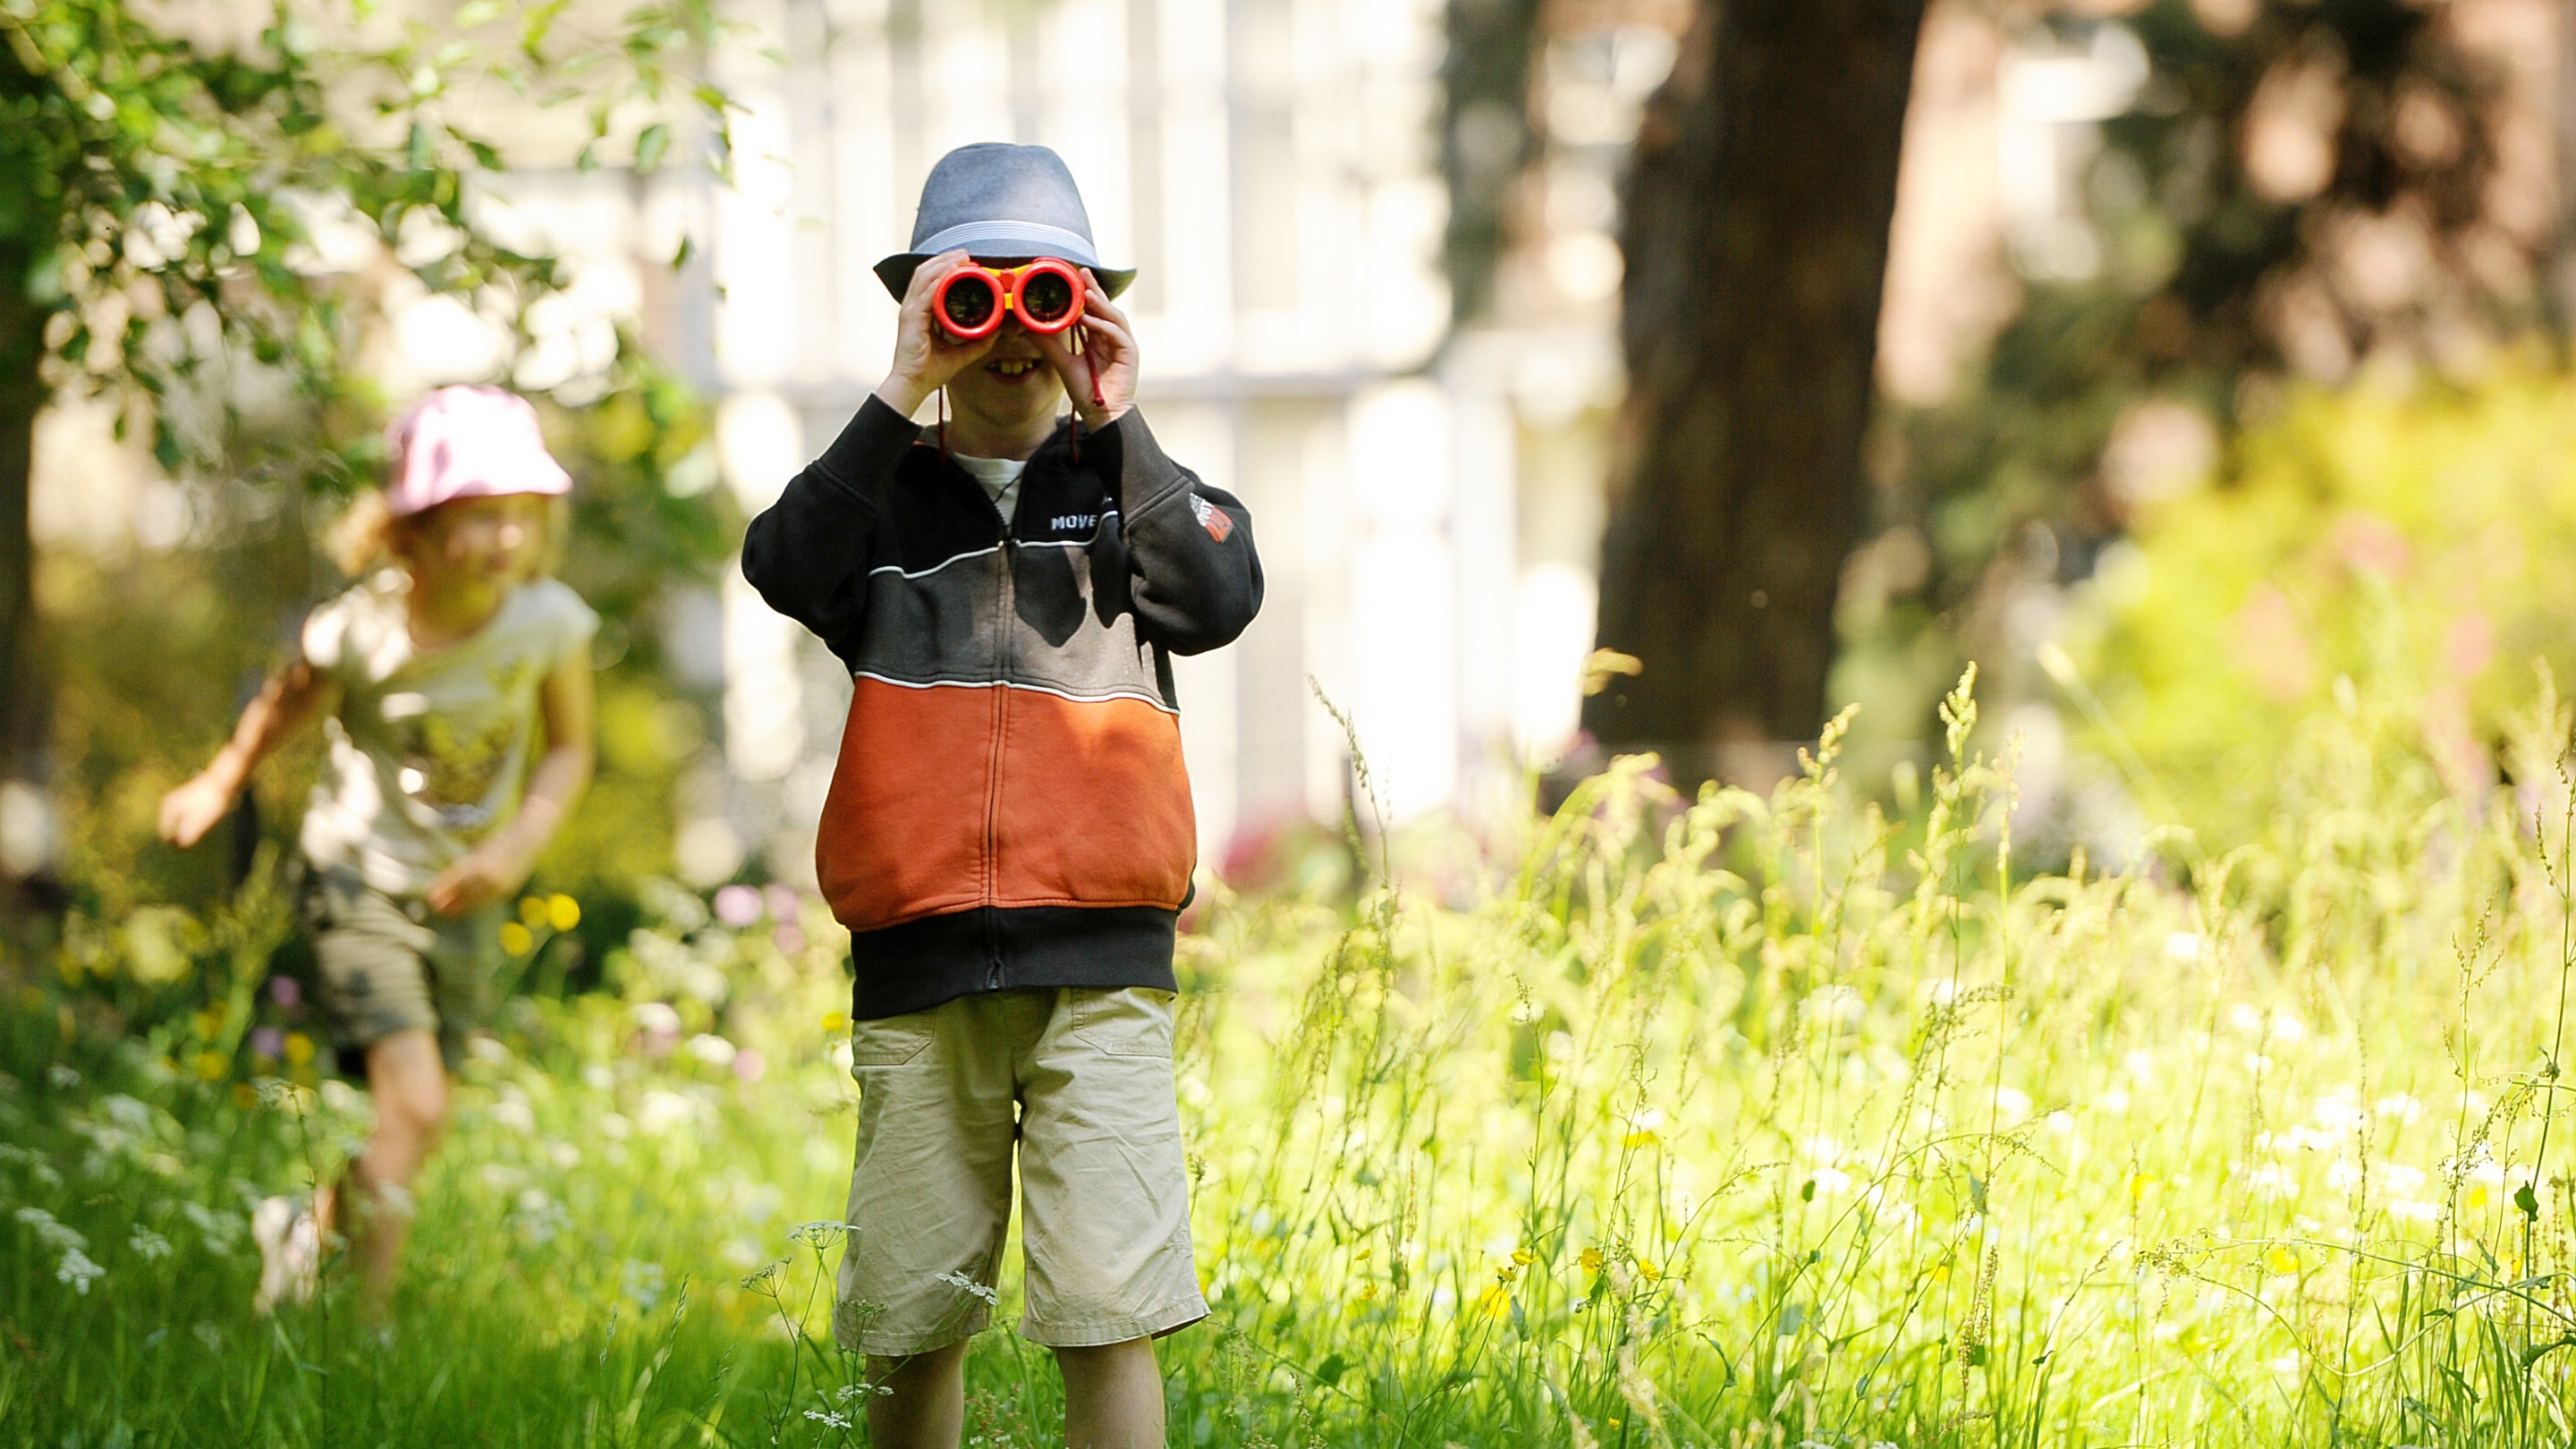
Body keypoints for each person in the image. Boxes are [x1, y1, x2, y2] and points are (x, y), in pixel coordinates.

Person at [741, 142, 1262, 1449]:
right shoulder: (881, 502)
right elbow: (782, 563)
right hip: (919, 969)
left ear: (1087, 314)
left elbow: (1216, 597)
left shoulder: (1132, 496)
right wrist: (897, 390)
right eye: (974, 299)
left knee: (1110, 1311)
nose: (1012, 328)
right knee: (911, 1316)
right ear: (927, 311)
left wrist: (1120, 420)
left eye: (1050, 296)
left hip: (1103, 974)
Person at [157, 385, 597, 1319]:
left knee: (413, 1118)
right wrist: (220, 780)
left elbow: (570, 746)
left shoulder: (549, 622)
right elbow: (285, 700)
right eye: (479, 517)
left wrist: (518, 847)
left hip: (467, 896)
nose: (504, 539)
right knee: (421, 1106)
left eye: (519, 515)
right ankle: (367, 1325)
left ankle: (306, 1235)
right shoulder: (365, 628)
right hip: (356, 881)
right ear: (414, 528)